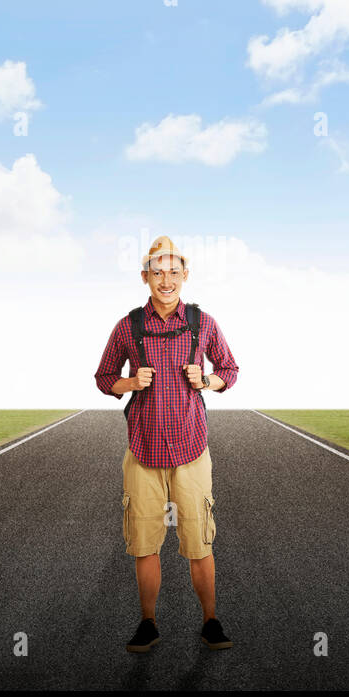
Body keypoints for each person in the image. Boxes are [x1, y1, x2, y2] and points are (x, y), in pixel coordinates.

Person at [94, 235, 240, 653]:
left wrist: (207, 380)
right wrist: (129, 382)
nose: (166, 279)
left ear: (185, 276)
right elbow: (104, 378)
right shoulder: (129, 326)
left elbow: (229, 368)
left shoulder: (202, 323)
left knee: (199, 543)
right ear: (145, 277)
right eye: (157, 272)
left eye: (174, 272)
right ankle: (148, 623)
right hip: (143, 453)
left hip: (192, 452)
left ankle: (211, 621)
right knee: (144, 544)